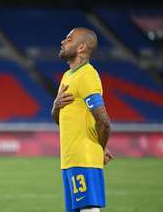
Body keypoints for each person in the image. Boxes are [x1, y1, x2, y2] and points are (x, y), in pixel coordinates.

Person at [51, 27, 114, 212]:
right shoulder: (67, 76)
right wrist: (55, 106)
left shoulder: (87, 75)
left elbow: (104, 121)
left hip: (84, 158)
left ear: (81, 48)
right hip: (70, 159)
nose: (63, 42)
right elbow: (59, 119)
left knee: (89, 209)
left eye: (69, 39)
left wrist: (100, 149)